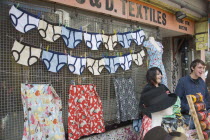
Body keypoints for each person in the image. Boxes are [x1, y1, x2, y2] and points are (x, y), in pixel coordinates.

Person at [175, 59, 210, 129]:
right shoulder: (183, 81)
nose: (202, 70)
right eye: (200, 67)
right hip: (188, 117)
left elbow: (207, 99)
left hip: (202, 116)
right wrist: (190, 109)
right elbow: (177, 101)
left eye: (203, 68)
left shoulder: (202, 82)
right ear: (192, 68)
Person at [139, 67, 173, 139]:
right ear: (152, 76)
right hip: (152, 119)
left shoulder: (163, 87)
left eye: (161, 74)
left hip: (164, 117)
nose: (161, 76)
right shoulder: (147, 89)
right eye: (158, 74)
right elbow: (142, 105)